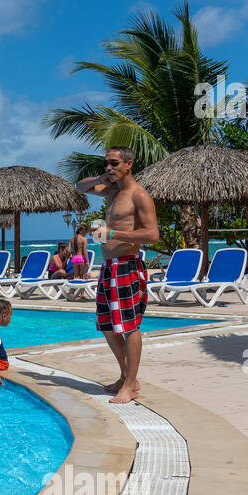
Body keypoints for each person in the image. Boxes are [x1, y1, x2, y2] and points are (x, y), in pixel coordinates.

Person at [77, 146, 160, 404]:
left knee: (129, 326)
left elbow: (152, 235)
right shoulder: (112, 191)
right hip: (108, 266)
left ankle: (130, 385)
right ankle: (127, 378)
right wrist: (102, 178)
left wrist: (112, 234)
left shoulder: (139, 195)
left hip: (127, 265)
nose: (109, 168)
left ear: (129, 164)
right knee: (107, 326)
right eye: (106, 164)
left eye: (114, 163)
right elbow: (80, 186)